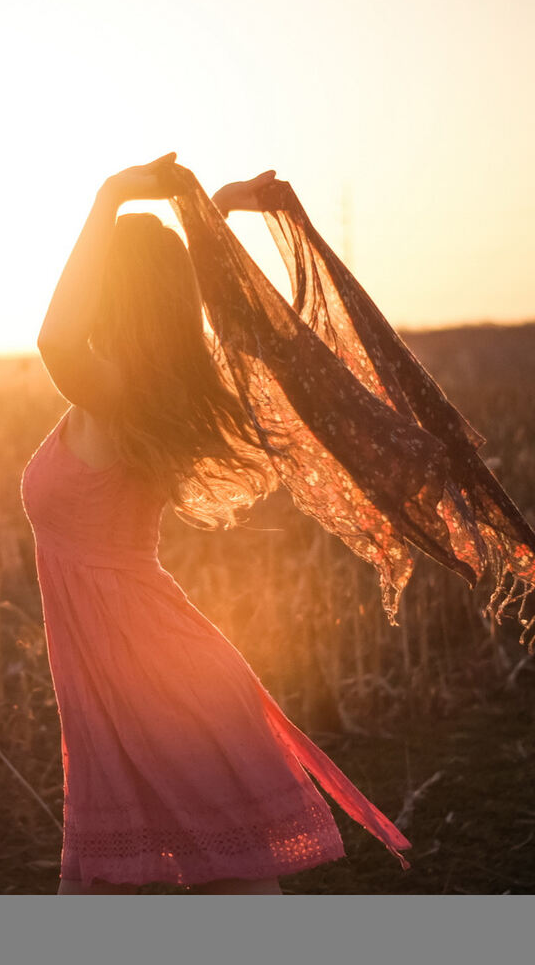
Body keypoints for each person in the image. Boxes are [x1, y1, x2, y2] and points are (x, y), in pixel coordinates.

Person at [22, 154, 412, 895]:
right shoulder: (145, 391)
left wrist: (110, 197)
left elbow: (56, 340)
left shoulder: (117, 397)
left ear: (111, 293)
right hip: (139, 682)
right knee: (159, 888)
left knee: (218, 889)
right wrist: (213, 222)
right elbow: (174, 317)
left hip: (158, 685)